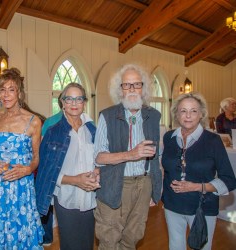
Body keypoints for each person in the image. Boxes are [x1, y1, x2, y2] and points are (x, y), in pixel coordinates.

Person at [94, 63, 162, 250]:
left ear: (144, 88)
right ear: (120, 89)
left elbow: (157, 158)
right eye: (126, 85)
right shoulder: (107, 116)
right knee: (109, 237)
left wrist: (155, 188)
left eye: (137, 84)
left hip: (144, 184)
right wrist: (131, 154)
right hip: (116, 182)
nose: (132, 89)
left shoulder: (154, 116)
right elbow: (99, 157)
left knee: (133, 236)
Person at [0, 68, 44, 249]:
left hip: (21, 187)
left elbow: (37, 157)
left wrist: (28, 169)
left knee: (20, 232)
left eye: (11, 89)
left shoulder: (33, 121)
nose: (5, 95)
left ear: (20, 93)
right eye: (2, 90)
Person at [162, 92, 236, 250]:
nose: (188, 115)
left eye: (193, 111)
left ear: (201, 114)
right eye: (183, 110)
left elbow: (229, 180)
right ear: (176, 113)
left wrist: (196, 187)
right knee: (175, 246)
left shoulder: (213, 141)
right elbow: (166, 169)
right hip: (172, 205)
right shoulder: (168, 137)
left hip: (202, 207)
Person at [36, 83, 99, 250]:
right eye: (69, 99)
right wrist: (75, 180)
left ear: (84, 102)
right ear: (62, 102)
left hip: (90, 197)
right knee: (70, 245)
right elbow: (45, 170)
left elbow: (100, 159)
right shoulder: (52, 131)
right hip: (66, 197)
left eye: (78, 99)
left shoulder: (93, 129)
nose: (74, 103)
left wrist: (97, 172)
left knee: (87, 244)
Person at [39, 93, 63, 246]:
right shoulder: (50, 122)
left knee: (47, 204)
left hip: (50, 168)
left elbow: (41, 149)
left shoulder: (49, 121)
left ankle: (47, 238)